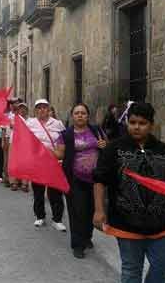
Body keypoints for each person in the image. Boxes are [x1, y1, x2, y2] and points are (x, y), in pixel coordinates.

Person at [93, 102, 165, 282]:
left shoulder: (163, 150)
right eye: (132, 122)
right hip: (126, 222)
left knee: (164, 264)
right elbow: (99, 180)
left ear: (151, 125)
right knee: (131, 270)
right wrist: (99, 210)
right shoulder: (114, 149)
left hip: (161, 222)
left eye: (142, 123)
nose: (136, 127)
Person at [54, 103, 107, 258]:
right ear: (72, 116)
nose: (80, 115)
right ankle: (78, 245)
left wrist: (104, 145)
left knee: (91, 209)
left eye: (83, 113)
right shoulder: (66, 134)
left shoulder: (96, 130)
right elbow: (59, 154)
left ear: (87, 115)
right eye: (77, 113)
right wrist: (41, 150)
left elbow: (107, 147)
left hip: (95, 180)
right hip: (74, 179)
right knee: (77, 211)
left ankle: (87, 237)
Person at [25, 99, 66, 231]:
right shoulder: (30, 123)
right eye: (39, 108)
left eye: (44, 107)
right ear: (35, 110)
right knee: (38, 191)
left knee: (55, 191)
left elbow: (64, 140)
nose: (42, 110)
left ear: (49, 109)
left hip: (54, 161)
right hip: (38, 162)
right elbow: (24, 140)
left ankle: (57, 219)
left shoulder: (57, 124)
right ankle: (39, 216)